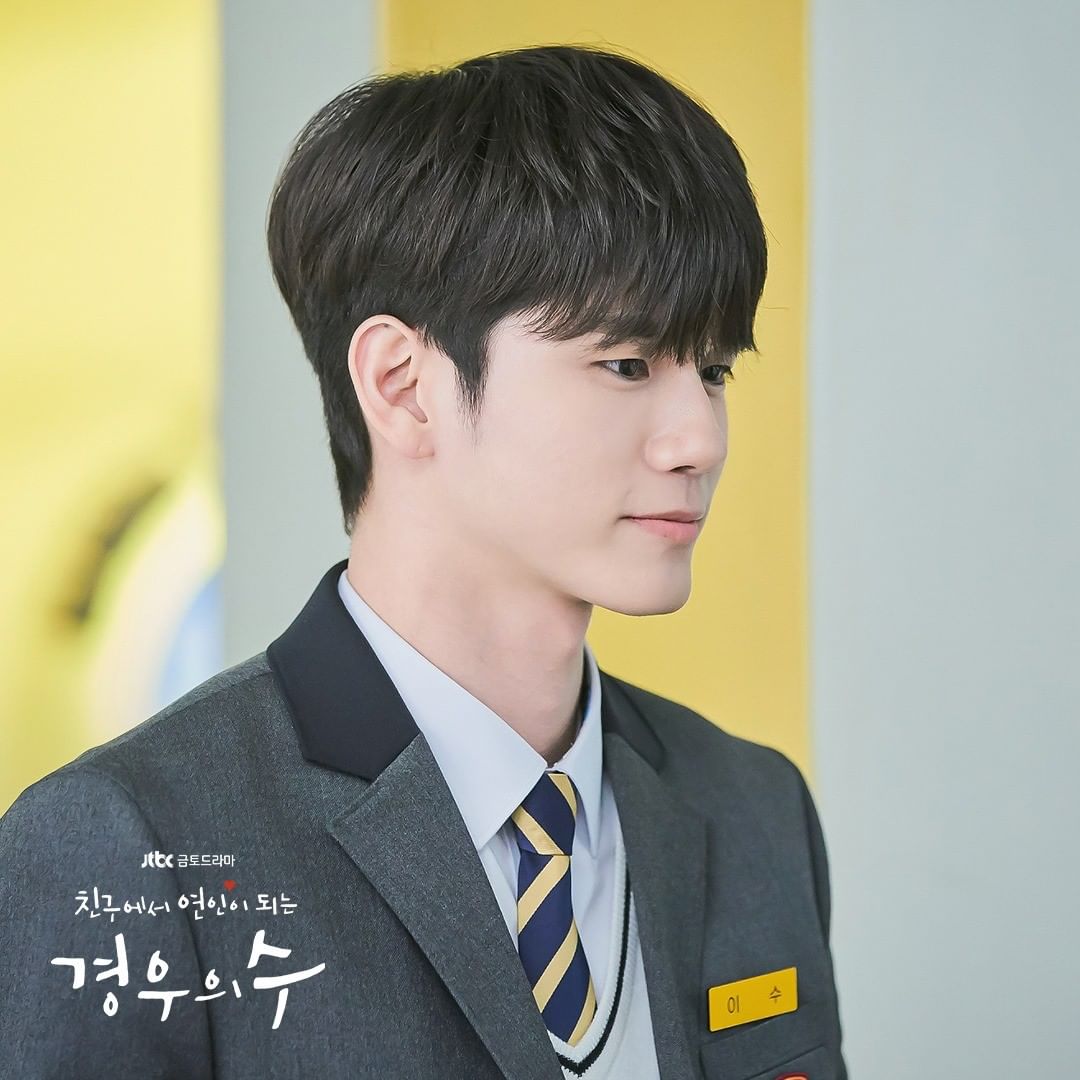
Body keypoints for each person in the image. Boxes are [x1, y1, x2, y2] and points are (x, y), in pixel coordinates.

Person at [0, 43, 847, 1079]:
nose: (699, 440)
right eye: (627, 364)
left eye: (712, 371)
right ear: (404, 385)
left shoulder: (752, 808)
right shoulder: (132, 840)